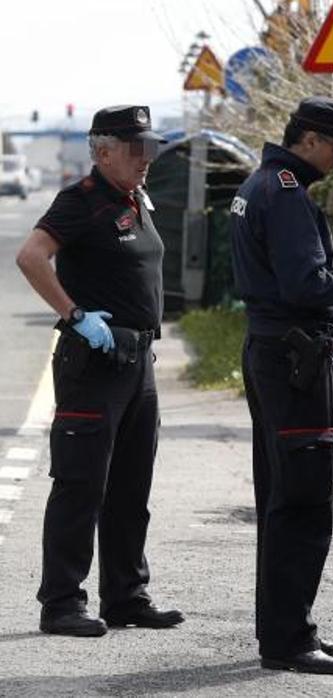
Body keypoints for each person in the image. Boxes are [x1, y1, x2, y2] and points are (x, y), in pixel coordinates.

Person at [230, 96, 333, 675]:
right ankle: (289, 641)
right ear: (311, 141)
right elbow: (305, 283)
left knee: (281, 499)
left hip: (271, 354)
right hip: (293, 360)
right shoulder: (286, 193)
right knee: (300, 504)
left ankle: (285, 630)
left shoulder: (259, 184)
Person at [15, 105, 183, 637]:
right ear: (102, 150)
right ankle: (62, 603)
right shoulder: (81, 201)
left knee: (132, 487)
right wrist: (75, 314)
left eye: (150, 149)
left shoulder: (135, 199)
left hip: (139, 362)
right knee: (81, 484)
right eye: (136, 150)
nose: (146, 160)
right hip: (95, 363)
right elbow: (31, 256)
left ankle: (126, 596)